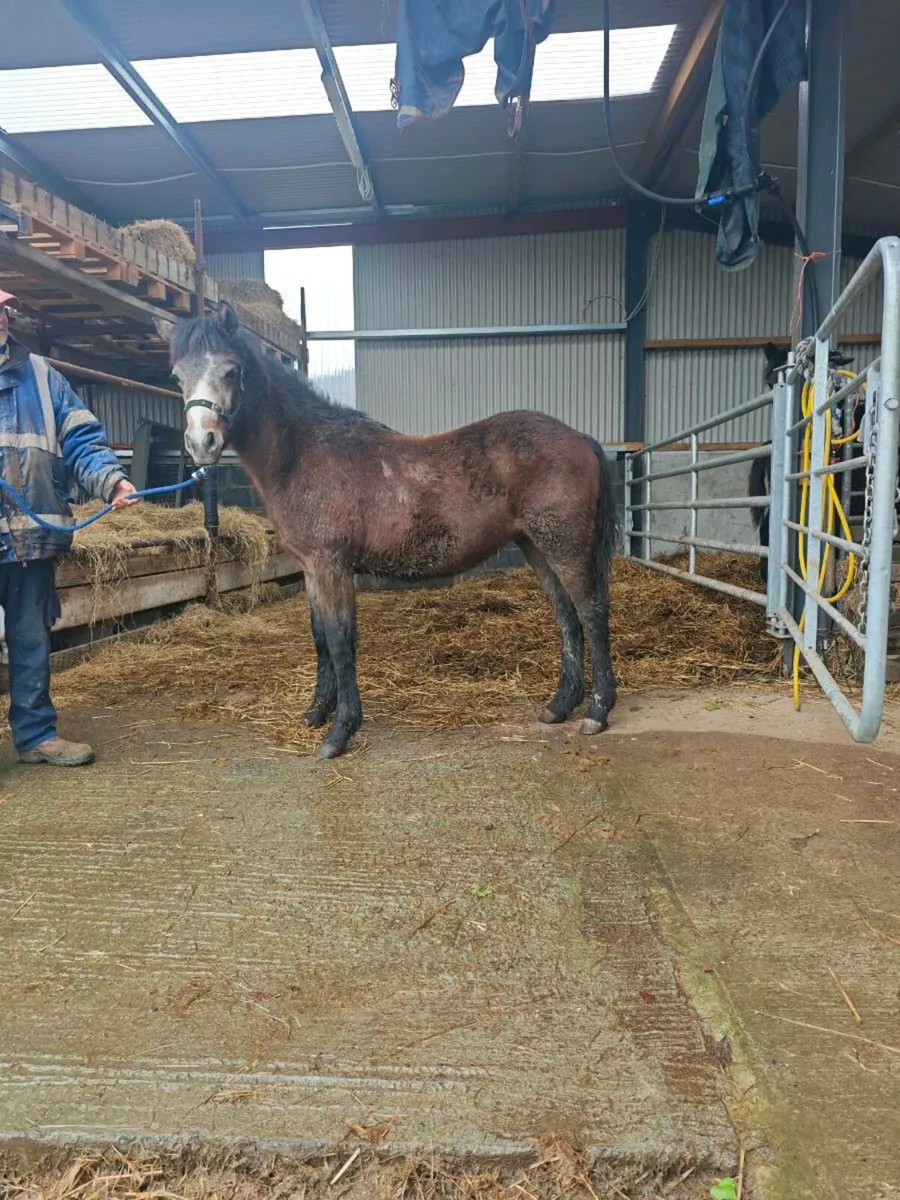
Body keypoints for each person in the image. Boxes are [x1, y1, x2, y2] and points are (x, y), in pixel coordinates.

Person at [0, 289, 138, 766]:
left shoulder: (41, 375)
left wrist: (112, 481)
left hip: (31, 539)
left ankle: (36, 735)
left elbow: (81, 436)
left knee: (31, 637)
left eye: (1, 310)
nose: (0, 320)